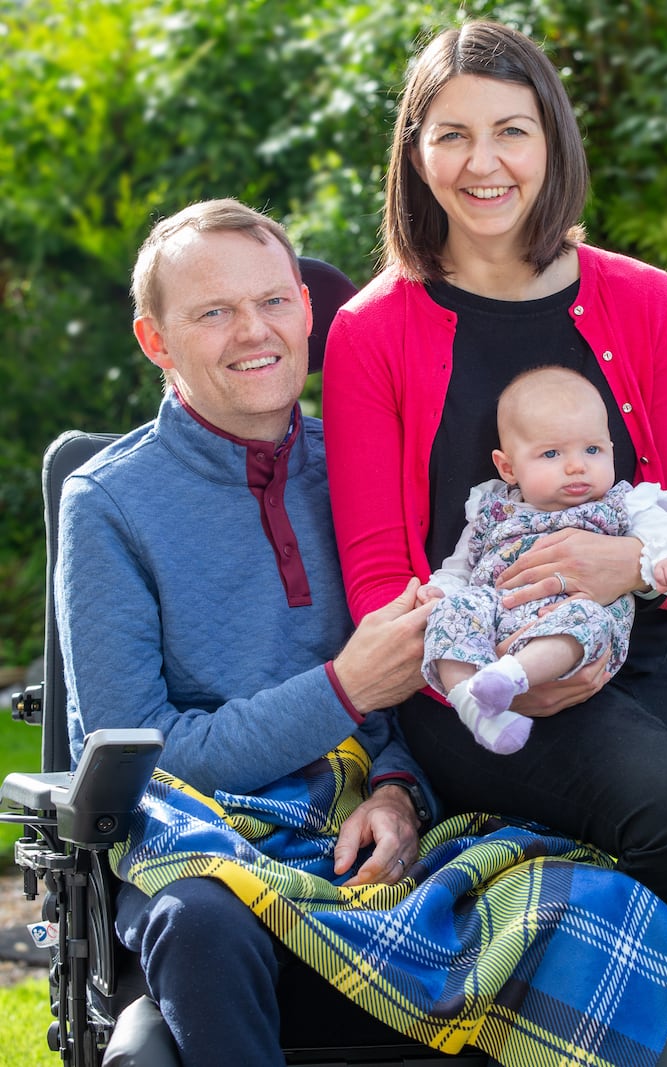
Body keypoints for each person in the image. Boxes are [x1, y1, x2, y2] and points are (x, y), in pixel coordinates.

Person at [322, 20, 667, 1067]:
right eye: (450, 136)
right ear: (413, 151)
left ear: (552, 143)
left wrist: (624, 564)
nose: (482, 164)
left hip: (650, 641)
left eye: (510, 131)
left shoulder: (640, 298)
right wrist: (479, 673)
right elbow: (374, 576)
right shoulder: (368, 329)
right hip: (475, 676)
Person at [54, 198, 439, 1066]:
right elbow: (136, 752)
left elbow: (429, 686)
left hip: (358, 824)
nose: (253, 331)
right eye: (213, 311)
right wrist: (342, 690)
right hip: (201, 841)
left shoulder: (366, 464)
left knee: (577, 900)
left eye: (273, 300)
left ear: (307, 312)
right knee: (203, 919)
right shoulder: (109, 504)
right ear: (156, 341)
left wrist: (399, 794)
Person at [420, 365, 667, 755]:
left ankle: (511, 676)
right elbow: (460, 568)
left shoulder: (625, 502)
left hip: (572, 615)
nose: (576, 466)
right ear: (508, 467)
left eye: (592, 450)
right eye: (551, 453)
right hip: (496, 613)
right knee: (450, 611)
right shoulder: (491, 507)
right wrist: (440, 591)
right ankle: (472, 704)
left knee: (587, 618)